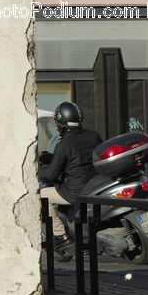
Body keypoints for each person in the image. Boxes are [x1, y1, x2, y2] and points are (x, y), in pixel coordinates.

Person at [37, 102, 104, 252]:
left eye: (57, 124)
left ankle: (61, 235)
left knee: (41, 195)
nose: (56, 127)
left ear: (63, 125)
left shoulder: (64, 144)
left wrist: (34, 172)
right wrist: (52, 158)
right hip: (94, 186)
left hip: (74, 191)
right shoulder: (94, 136)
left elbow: (51, 174)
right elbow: (79, 158)